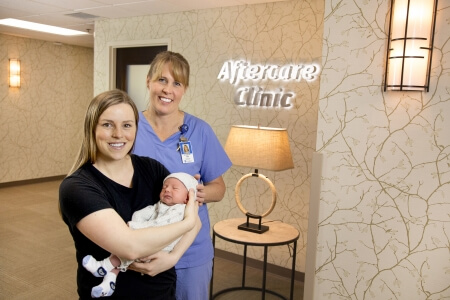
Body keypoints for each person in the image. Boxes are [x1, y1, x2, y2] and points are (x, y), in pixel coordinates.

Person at [59, 89, 201, 299]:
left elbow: (193, 217)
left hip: (161, 291)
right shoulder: (77, 187)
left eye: (127, 125)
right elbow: (130, 247)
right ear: (92, 129)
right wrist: (187, 223)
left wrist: (173, 258)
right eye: (108, 124)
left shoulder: (152, 169)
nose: (118, 134)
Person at [133, 51, 232, 300]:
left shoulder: (200, 131)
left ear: (184, 89)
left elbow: (219, 187)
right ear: (148, 81)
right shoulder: (131, 128)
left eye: (176, 83)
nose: (168, 89)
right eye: (162, 80)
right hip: (143, 246)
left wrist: (196, 194)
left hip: (191, 251)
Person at [82, 172, 198, 298]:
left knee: (124, 250)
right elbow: (144, 213)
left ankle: (103, 266)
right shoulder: (161, 205)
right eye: (164, 187)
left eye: (174, 188)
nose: (167, 190)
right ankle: (109, 281)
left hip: (161, 247)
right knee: (121, 248)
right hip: (150, 241)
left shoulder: (180, 210)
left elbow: (160, 225)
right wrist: (136, 222)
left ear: (187, 198)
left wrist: (134, 227)